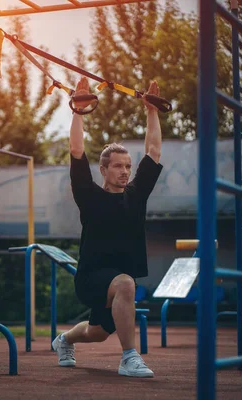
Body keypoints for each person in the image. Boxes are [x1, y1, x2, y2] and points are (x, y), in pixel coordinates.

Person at [51, 77, 163, 378]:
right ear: (103, 170)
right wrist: (78, 110)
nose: (125, 171)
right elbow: (76, 150)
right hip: (91, 278)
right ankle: (129, 357)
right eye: (118, 166)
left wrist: (152, 111)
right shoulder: (89, 195)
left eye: (127, 166)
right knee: (126, 282)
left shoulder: (136, 196)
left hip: (117, 284)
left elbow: (153, 151)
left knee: (97, 331)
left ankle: (64, 340)